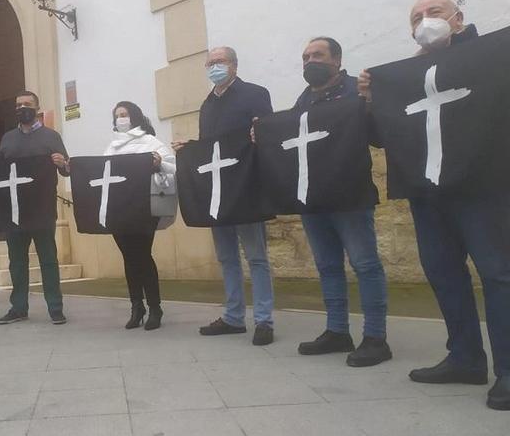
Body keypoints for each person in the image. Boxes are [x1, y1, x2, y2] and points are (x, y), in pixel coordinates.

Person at [359, 0, 510, 410]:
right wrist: (373, 103)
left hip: (483, 185)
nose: (425, 21)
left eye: (434, 12)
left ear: (458, 19)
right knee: (444, 273)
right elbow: (384, 135)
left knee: (498, 274)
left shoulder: (491, 56)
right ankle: (465, 357)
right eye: (416, 17)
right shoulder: (407, 75)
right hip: (428, 191)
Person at [290, 37, 391, 367]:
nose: (309, 61)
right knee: (328, 266)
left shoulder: (355, 90)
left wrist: (371, 103)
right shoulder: (304, 99)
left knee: (365, 264)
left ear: (337, 60)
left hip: (350, 196)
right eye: (305, 57)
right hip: (315, 198)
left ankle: (376, 337)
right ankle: (337, 331)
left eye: (317, 55)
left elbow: (379, 136)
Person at [175, 46, 276, 346]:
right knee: (227, 256)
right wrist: (190, 148)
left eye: (219, 62)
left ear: (233, 64)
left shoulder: (255, 94)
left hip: (246, 187)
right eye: (209, 63)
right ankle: (233, 317)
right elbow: (212, 146)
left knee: (256, 256)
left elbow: (265, 135)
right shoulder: (207, 104)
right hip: (217, 191)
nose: (214, 67)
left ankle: (263, 320)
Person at [0, 90, 70, 325]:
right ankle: (18, 307)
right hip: (13, 211)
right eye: (18, 105)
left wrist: (62, 163)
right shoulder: (8, 139)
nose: (22, 108)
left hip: (42, 209)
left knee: (48, 259)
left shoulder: (51, 136)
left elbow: (66, 168)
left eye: (27, 104)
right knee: (17, 261)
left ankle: (55, 307)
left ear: (36, 108)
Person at [101, 101, 175, 330]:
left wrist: (158, 162)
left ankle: (155, 307)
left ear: (134, 116)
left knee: (142, 255)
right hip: (119, 209)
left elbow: (171, 167)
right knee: (128, 258)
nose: (121, 118)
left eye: (124, 114)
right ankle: (136, 306)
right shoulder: (112, 147)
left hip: (143, 208)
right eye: (117, 115)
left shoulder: (149, 141)